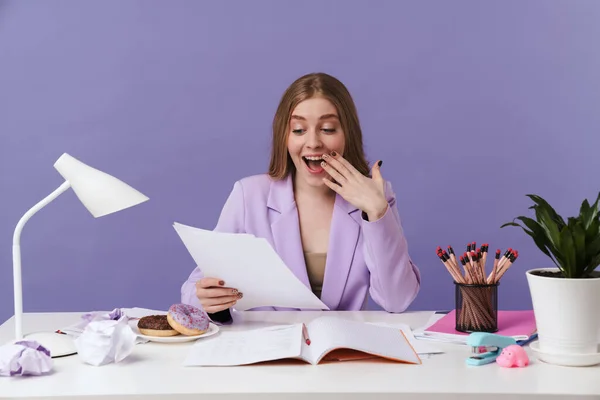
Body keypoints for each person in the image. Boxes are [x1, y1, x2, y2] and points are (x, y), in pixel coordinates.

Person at [181, 72, 420, 323]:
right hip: (267, 350)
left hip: (343, 353)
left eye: (328, 129)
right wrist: (211, 301)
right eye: (298, 129)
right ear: (284, 136)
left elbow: (397, 300)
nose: (313, 142)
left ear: (347, 134)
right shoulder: (247, 195)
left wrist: (377, 212)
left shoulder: (376, 195)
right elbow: (194, 290)